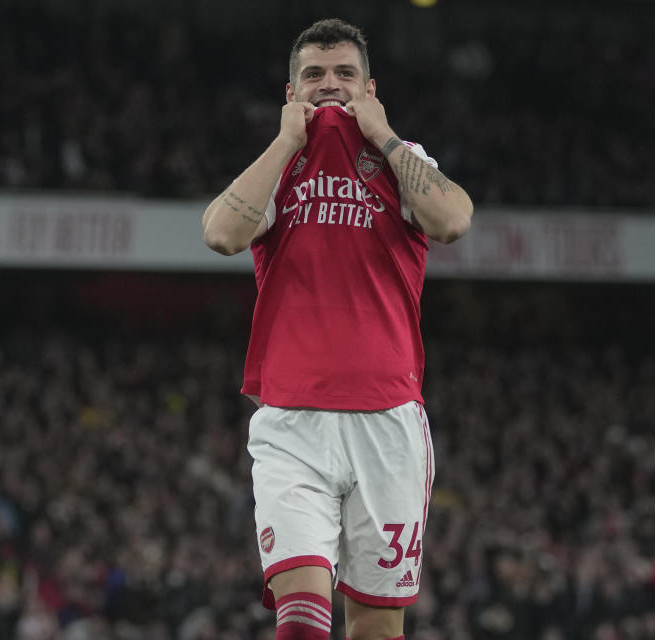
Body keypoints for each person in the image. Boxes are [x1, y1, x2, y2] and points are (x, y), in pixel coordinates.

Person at [202, 18, 473, 640]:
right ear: (291, 91)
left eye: (345, 74)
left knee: (376, 629)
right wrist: (283, 144)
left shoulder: (404, 162)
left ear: (370, 87)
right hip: (294, 421)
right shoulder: (278, 169)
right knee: (301, 619)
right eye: (314, 75)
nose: (330, 86)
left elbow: (454, 220)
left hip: (389, 425)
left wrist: (382, 133)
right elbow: (221, 234)